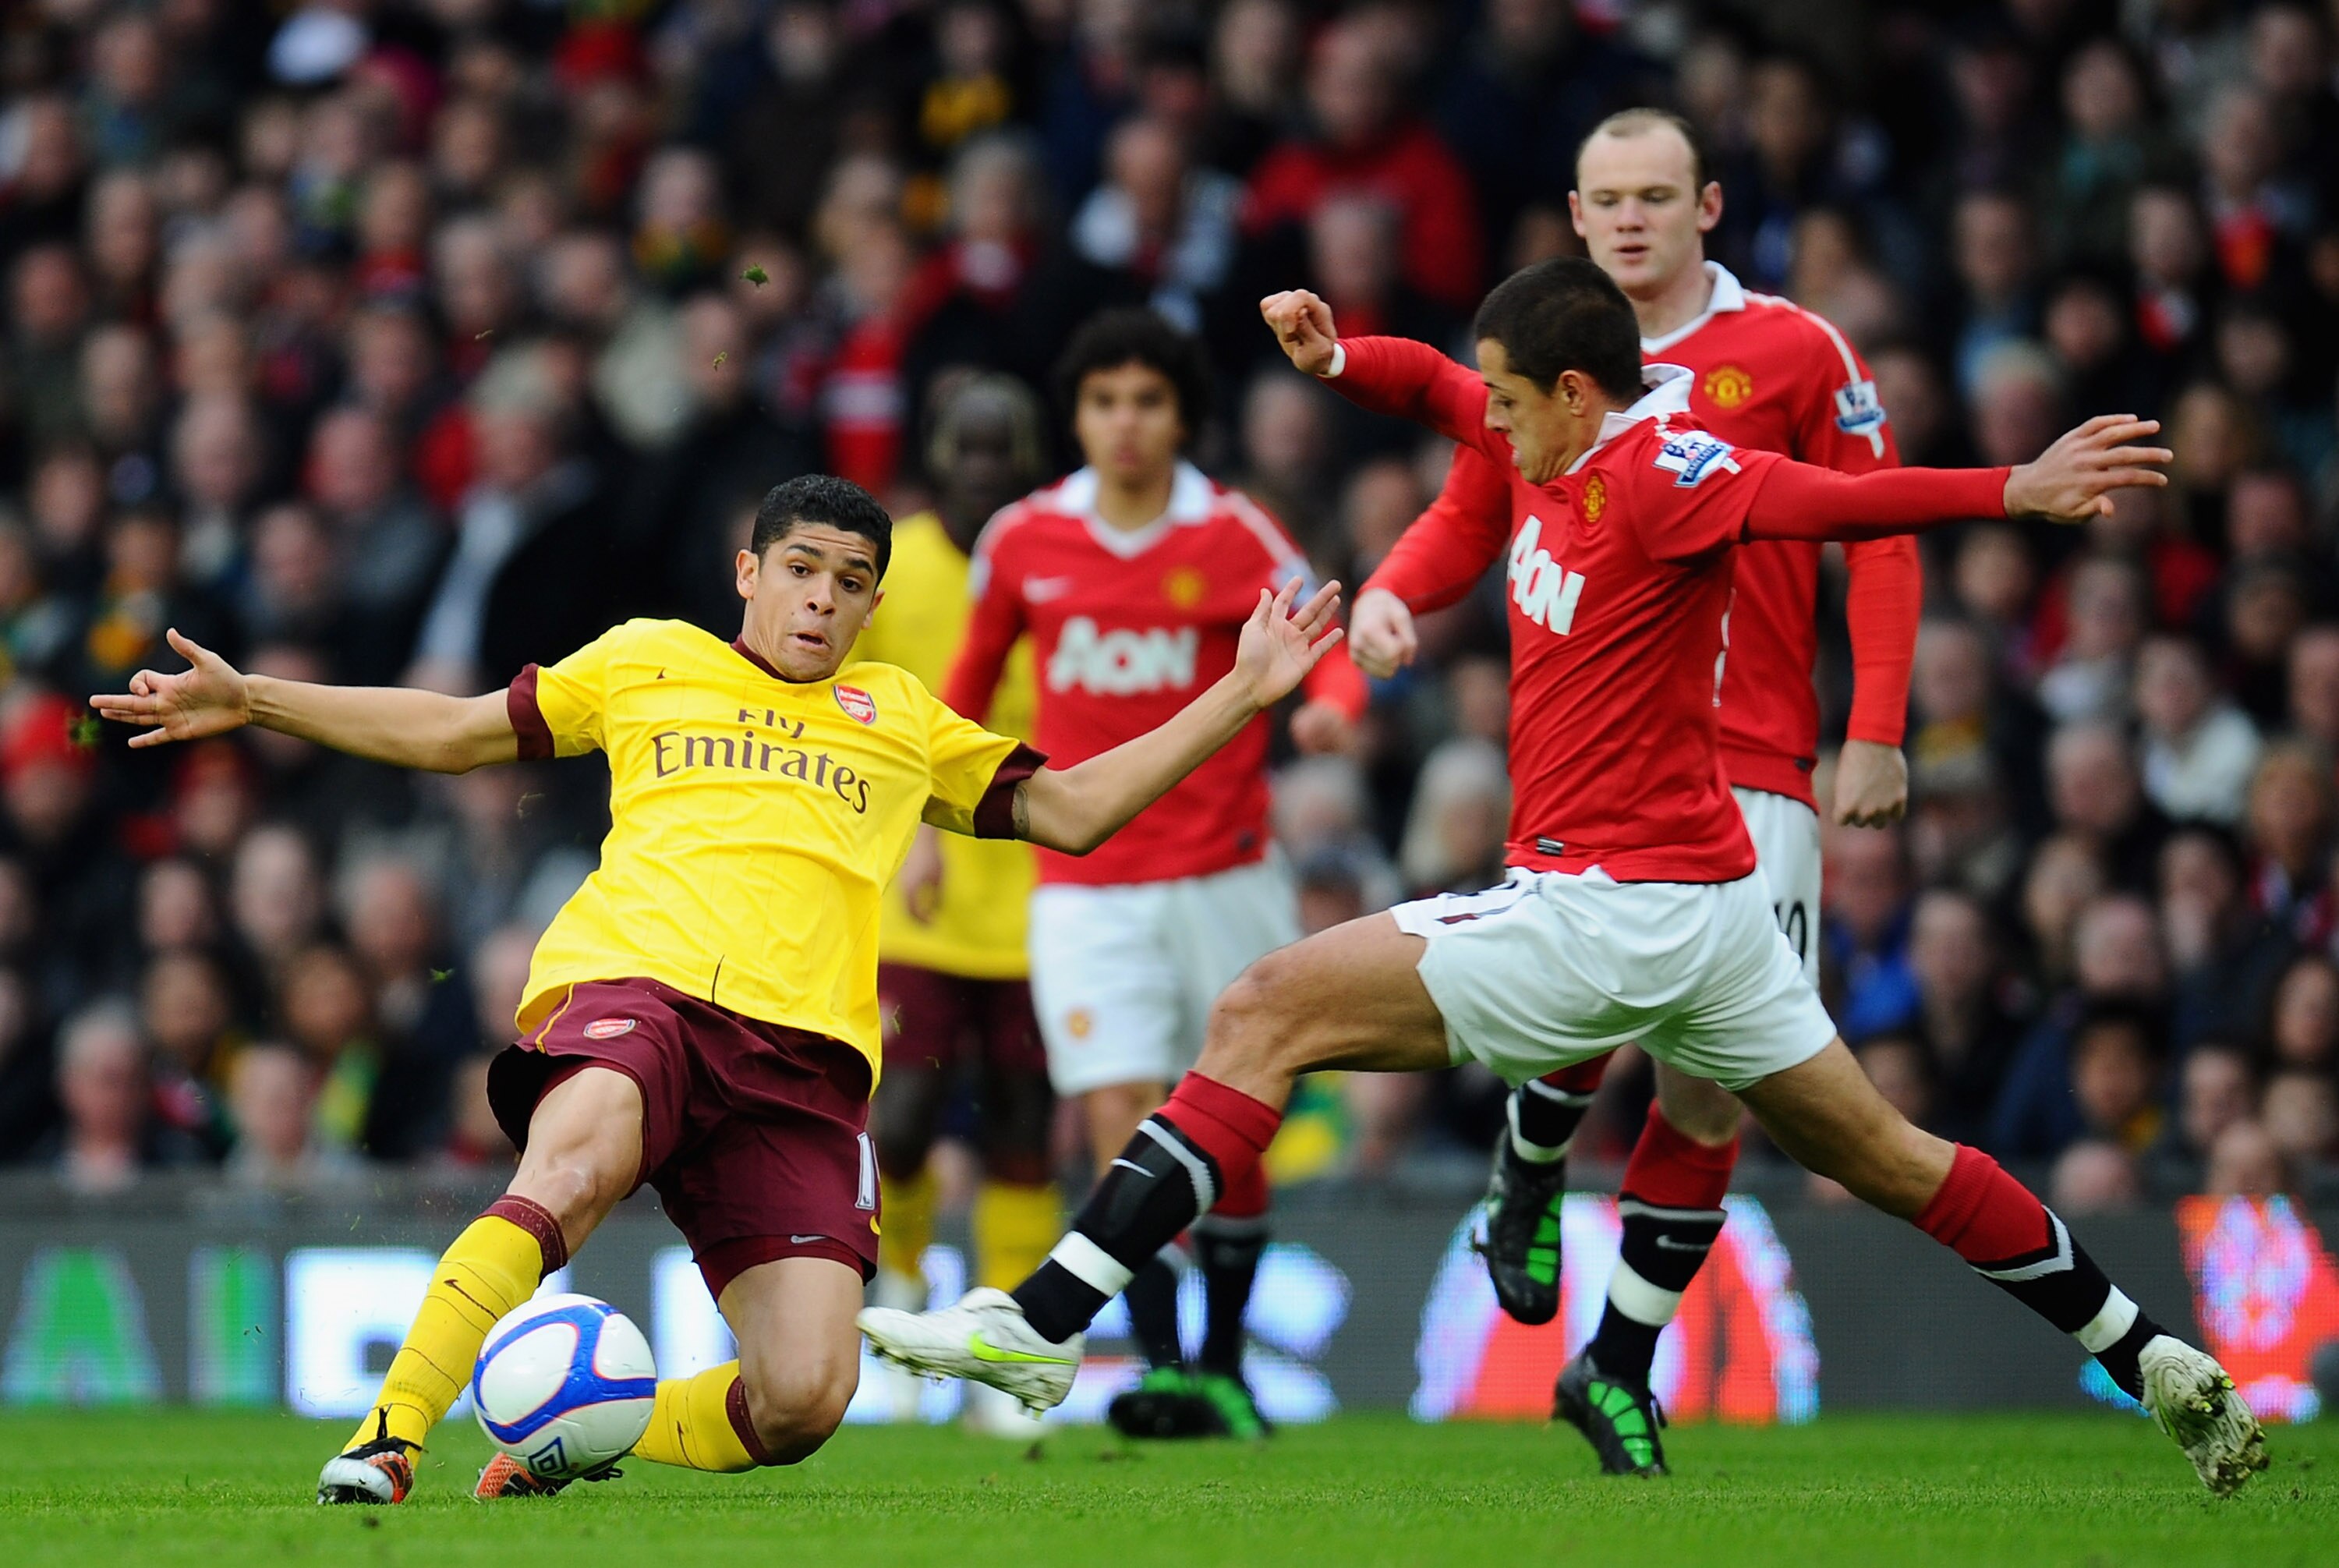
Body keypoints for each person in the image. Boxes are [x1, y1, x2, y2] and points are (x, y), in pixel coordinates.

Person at [858, 260, 2269, 1499]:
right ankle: (2153, 1360)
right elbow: (1437, 397)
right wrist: (1346, 359)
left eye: (1513, 405)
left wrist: (2011, 489)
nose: (1493, 426)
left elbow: (1829, 501)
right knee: (1893, 1159)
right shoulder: (1557, 439)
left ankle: (1040, 1325)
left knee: (1265, 1008)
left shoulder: (1669, 470)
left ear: (1582, 395)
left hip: (1612, 909)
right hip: (1711, 921)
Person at [92, 473, 1346, 1504]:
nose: (824, 598)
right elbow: (456, 730)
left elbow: (1071, 811)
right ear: (749, 575)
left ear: (872, 608)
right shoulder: (647, 661)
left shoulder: (903, 719)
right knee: (574, 1162)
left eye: (854, 582)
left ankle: (575, 1439)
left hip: (803, 1066)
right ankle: (390, 1434)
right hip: (642, 987)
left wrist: (1241, 691)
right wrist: (255, 699)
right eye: (802, 568)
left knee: (804, 1400)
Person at [1405, 107, 1923, 1473]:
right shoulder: (1534, 363)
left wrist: (1871, 726)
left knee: (1712, 1093)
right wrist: (1391, 605)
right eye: (1605, 198)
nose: (1630, 217)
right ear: (1575, 217)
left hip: (1756, 763)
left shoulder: (1797, 352)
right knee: (1591, 989)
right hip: (1605, 757)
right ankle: (1530, 1161)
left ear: (1706, 206)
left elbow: (1875, 531)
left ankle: (1616, 1366)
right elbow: (1470, 509)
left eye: (1656, 194)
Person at [939, 308, 1367, 1439]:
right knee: (1117, 1112)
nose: (1125, 425)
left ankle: (1223, 1362)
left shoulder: (1235, 535)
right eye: (1104, 402)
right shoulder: (1025, 538)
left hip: (1225, 871)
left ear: (1182, 417)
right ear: (1076, 418)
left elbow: (1322, 645)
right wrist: (929, 834)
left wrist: (1330, 714)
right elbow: (965, 694)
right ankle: (1175, 1367)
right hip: (1085, 884)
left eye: (1148, 401)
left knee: (1239, 1111)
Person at [851, 373, 1060, 1436]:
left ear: (1025, 460)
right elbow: (859, 716)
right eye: (965, 448)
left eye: (1000, 449)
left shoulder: (1056, 559)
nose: (983, 467)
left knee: (1027, 1111)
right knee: (912, 1107)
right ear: (938, 456)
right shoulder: (899, 576)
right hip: (923, 879)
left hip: (1038, 883)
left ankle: (1010, 1337)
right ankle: (898, 1301)